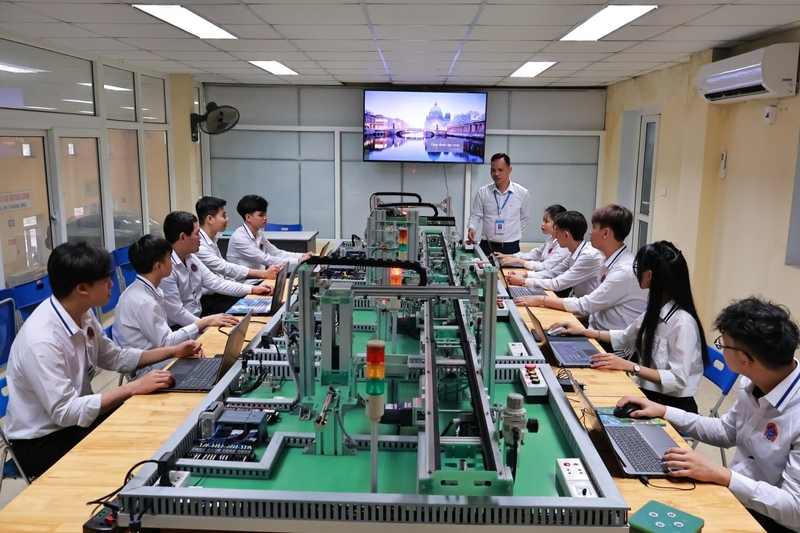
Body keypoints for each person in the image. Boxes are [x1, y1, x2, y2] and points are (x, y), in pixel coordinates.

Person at [4, 242, 202, 477]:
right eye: (105, 279)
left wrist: (173, 351)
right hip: (42, 440)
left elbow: (114, 357)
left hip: (75, 420)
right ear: (82, 288)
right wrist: (132, 387)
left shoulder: (82, 312)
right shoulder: (41, 340)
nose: (112, 284)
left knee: (146, 415)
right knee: (133, 440)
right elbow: (65, 412)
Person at [619, 297, 800, 533]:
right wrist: (663, 411)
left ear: (744, 359)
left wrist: (722, 475)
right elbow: (726, 432)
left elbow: (795, 509)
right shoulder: (753, 381)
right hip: (738, 494)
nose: (721, 349)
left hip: (774, 521)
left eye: (723, 344)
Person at [550, 241, 708, 412]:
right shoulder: (656, 310)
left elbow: (677, 379)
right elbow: (626, 337)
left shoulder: (683, 323)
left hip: (671, 405)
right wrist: (583, 331)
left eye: (638, 268)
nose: (636, 272)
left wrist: (629, 366)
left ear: (649, 275)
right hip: (649, 395)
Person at [113, 234, 239, 376]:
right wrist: (202, 323)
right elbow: (167, 343)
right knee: (213, 362)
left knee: (212, 350)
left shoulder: (146, 290)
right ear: (158, 266)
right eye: (169, 258)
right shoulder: (143, 301)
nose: (172, 263)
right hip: (147, 368)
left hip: (159, 354)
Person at [513, 204, 647, 336]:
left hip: (609, 341)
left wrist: (541, 300)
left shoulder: (623, 271)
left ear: (606, 233)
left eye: (594, 227)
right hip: (593, 325)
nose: (590, 232)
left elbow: (585, 304)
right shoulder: (606, 261)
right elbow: (595, 309)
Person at [160, 211, 272, 326]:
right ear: (183, 237)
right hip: (181, 327)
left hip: (197, 320)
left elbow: (216, 282)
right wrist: (206, 324)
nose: (200, 237)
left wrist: (253, 289)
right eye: (197, 233)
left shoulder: (191, 258)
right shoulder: (166, 269)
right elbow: (177, 314)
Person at [506, 210, 604, 298]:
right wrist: (525, 274)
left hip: (588, 308)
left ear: (566, 235)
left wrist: (523, 281)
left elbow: (557, 283)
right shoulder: (576, 252)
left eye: (557, 233)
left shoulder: (588, 255)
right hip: (577, 301)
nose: (555, 237)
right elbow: (553, 272)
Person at [195, 196, 282, 282]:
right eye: (223, 216)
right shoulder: (199, 246)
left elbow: (275, 253)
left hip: (237, 284)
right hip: (243, 284)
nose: (227, 219)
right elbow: (225, 268)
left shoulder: (212, 241)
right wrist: (264, 273)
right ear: (210, 219)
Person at [466, 153, 531, 256]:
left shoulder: (522, 193)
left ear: (509, 170)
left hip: (511, 247)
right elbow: (475, 215)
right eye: (493, 170)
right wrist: (472, 228)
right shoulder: (483, 192)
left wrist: (512, 234)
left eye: (500, 170)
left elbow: (524, 218)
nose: (496, 174)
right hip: (487, 245)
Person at [226, 194, 314, 269]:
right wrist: (298, 260)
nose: (265, 218)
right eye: (261, 215)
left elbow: (276, 253)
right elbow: (265, 259)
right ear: (248, 217)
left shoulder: (259, 234)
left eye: (265, 214)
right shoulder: (239, 238)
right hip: (244, 282)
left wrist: (302, 255)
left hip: (259, 279)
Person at [495, 204, 569, 272]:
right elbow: (535, 253)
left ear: (557, 224)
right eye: (543, 220)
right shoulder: (550, 240)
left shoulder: (563, 246)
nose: (542, 224)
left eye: (546, 221)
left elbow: (544, 267)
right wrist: (508, 256)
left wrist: (517, 261)